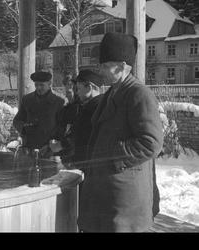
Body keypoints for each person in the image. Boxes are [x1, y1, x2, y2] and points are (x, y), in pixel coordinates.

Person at [77, 32, 164, 232]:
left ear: (123, 66)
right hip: (108, 191)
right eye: (101, 66)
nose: (101, 71)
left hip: (124, 195)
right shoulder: (113, 91)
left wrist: (113, 154)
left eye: (106, 66)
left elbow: (151, 142)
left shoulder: (139, 94)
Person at [12, 71, 65, 172]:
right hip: (30, 149)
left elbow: (62, 128)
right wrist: (24, 128)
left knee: (49, 180)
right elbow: (17, 120)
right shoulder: (27, 100)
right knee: (27, 179)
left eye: (42, 85)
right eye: (36, 85)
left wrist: (50, 145)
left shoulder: (59, 102)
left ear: (50, 84)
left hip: (49, 151)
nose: (39, 88)